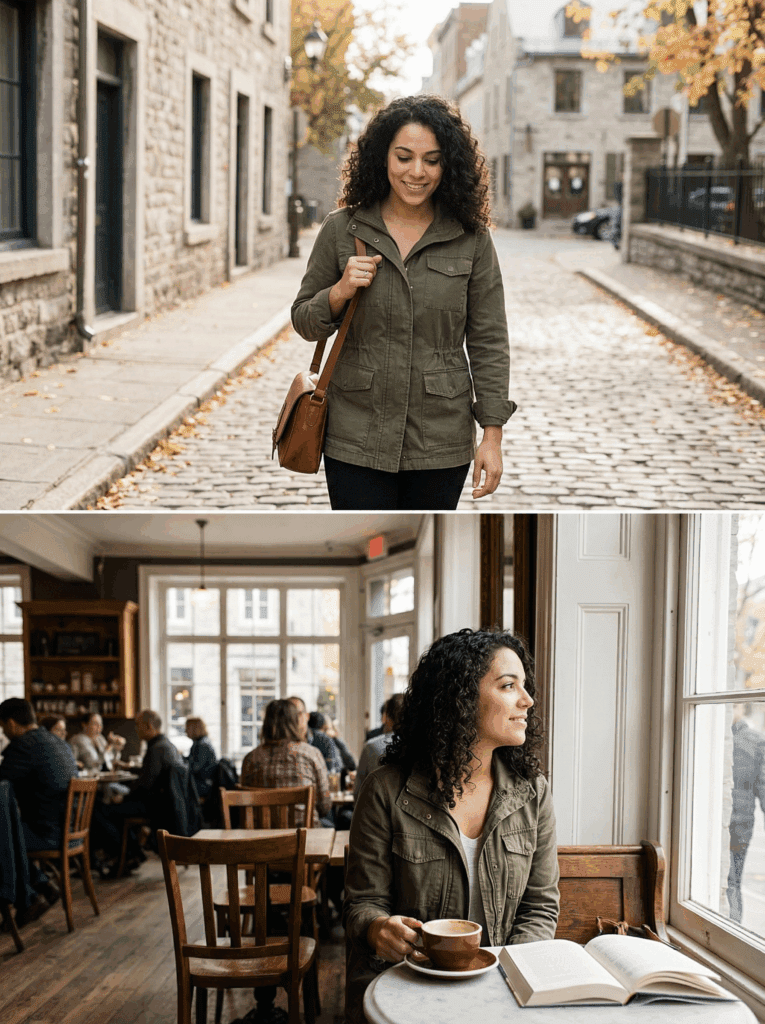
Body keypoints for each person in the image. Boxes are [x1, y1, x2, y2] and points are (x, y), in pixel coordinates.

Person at [291, 95, 514, 511]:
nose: (417, 172)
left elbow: (489, 341)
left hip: (440, 440)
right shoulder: (342, 229)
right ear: (382, 158)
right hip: (354, 435)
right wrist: (339, 292)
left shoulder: (471, 239)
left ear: (448, 165)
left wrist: (492, 436)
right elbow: (304, 321)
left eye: (431, 160)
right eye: (404, 157)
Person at [343, 629, 560, 1024]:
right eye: (509, 686)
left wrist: (507, 977)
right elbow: (361, 902)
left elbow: (540, 907)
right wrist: (378, 929)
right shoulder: (387, 790)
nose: (527, 701)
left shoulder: (533, 793)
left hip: (502, 990)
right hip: (406, 984)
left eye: (524, 687)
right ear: (459, 699)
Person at [0, 698, 78, 923]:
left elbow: (2, 782)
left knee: (6, 834)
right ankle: (42, 883)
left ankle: (30, 896)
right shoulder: (58, 741)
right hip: (70, 831)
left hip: (48, 834)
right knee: (11, 830)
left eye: (3, 727)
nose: (5, 733)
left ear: (12, 723)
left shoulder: (23, 745)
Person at [91, 709, 184, 874]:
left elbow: (145, 785)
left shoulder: (155, 748)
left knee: (101, 810)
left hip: (155, 807)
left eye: (138, 726)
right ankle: (132, 853)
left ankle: (126, 855)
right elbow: (149, 778)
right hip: (165, 804)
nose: (136, 729)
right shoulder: (166, 745)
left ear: (148, 726)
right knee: (112, 806)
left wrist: (124, 797)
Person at [240, 699, 330, 828]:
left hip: (260, 841)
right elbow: (325, 806)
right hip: (305, 841)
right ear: (294, 722)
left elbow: (245, 807)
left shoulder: (250, 759)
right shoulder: (311, 754)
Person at [727, 704, 765, 923]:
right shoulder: (756, 740)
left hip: (738, 827)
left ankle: (731, 928)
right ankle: (732, 928)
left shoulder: (755, 741)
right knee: (732, 883)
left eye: (734, 705)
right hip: (740, 826)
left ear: (741, 707)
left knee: (731, 882)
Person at [353, 693, 405, 798]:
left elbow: (358, 792)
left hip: (375, 811)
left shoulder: (371, 747)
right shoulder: (423, 749)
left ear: (387, 717)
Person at [288, 696, 341, 776]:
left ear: (307, 716)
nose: (293, 718)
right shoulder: (280, 743)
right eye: (289, 714)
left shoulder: (324, 741)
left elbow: (332, 773)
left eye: (297, 713)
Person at [184, 716, 217, 800]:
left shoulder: (202, 745)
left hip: (204, 785)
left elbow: (194, 768)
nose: (185, 731)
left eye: (187, 728)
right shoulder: (201, 743)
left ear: (194, 729)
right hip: (203, 783)